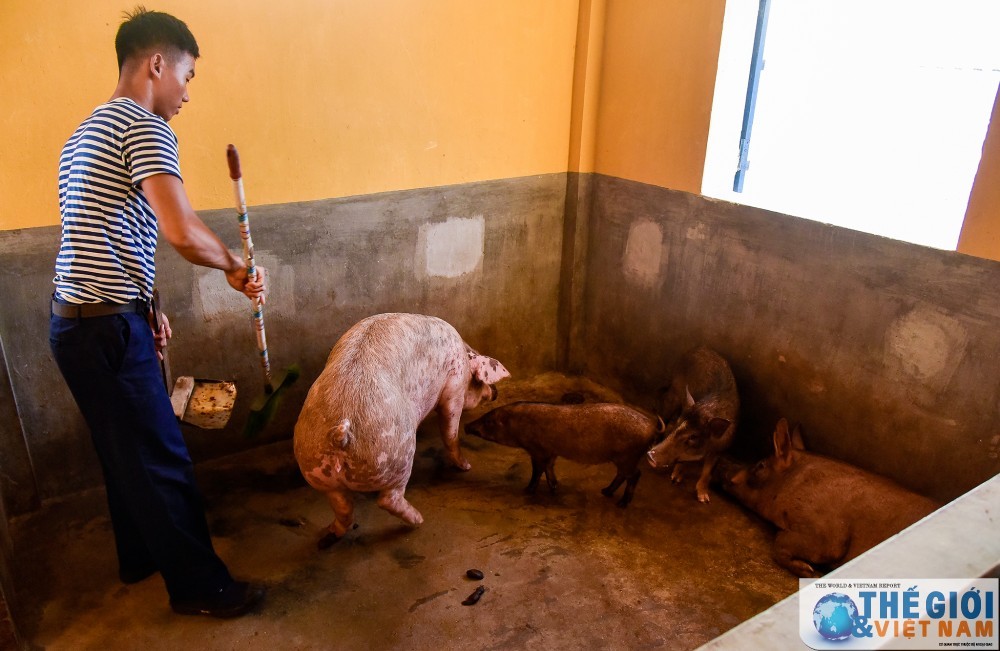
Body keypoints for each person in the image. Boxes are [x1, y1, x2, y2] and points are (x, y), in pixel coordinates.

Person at [49, 7, 266, 618]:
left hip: (77, 324)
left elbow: (104, 233)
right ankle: (202, 588)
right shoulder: (144, 125)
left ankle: (141, 555)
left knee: (123, 450)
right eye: (188, 76)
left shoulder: (84, 132)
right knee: (162, 455)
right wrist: (234, 266)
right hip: (105, 329)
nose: (187, 94)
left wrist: (146, 307)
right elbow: (179, 228)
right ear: (155, 64)